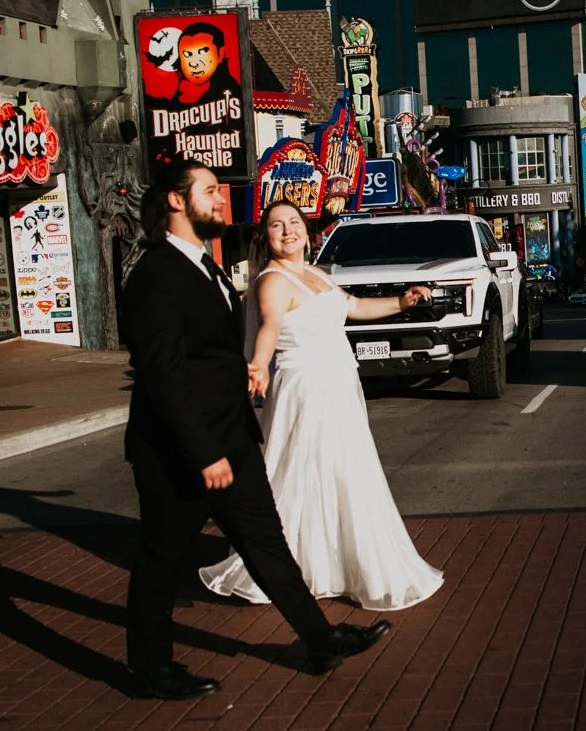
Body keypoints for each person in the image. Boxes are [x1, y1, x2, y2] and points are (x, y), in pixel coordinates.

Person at [120, 158, 388, 700]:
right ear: (176, 200)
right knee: (160, 558)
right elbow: (163, 375)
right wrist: (203, 452)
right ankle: (149, 669)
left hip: (230, 440)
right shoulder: (155, 274)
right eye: (211, 190)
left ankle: (321, 640)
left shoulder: (206, 267)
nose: (222, 199)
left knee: (266, 543)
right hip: (181, 452)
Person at [200, 200, 444, 610]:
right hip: (306, 389)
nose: (287, 231)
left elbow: (353, 307)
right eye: (277, 225)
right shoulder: (272, 282)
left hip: (337, 386)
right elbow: (269, 327)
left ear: (307, 231)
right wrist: (258, 365)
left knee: (343, 473)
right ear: (266, 237)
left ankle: (335, 565)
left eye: (294, 222)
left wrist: (403, 302)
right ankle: (281, 567)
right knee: (300, 472)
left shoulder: (317, 274)